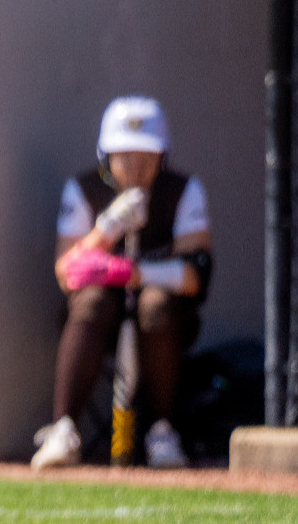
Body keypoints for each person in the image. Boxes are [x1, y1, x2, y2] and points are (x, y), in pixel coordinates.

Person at [32, 95, 211, 471]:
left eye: (146, 157)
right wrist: (105, 229)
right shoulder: (84, 191)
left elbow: (196, 274)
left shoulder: (181, 191)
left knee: (156, 304)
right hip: (103, 321)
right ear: (106, 156)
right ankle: (64, 428)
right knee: (91, 300)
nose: (134, 167)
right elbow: (67, 272)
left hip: (161, 324)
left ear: (162, 157)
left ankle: (162, 430)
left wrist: (138, 274)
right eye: (123, 155)